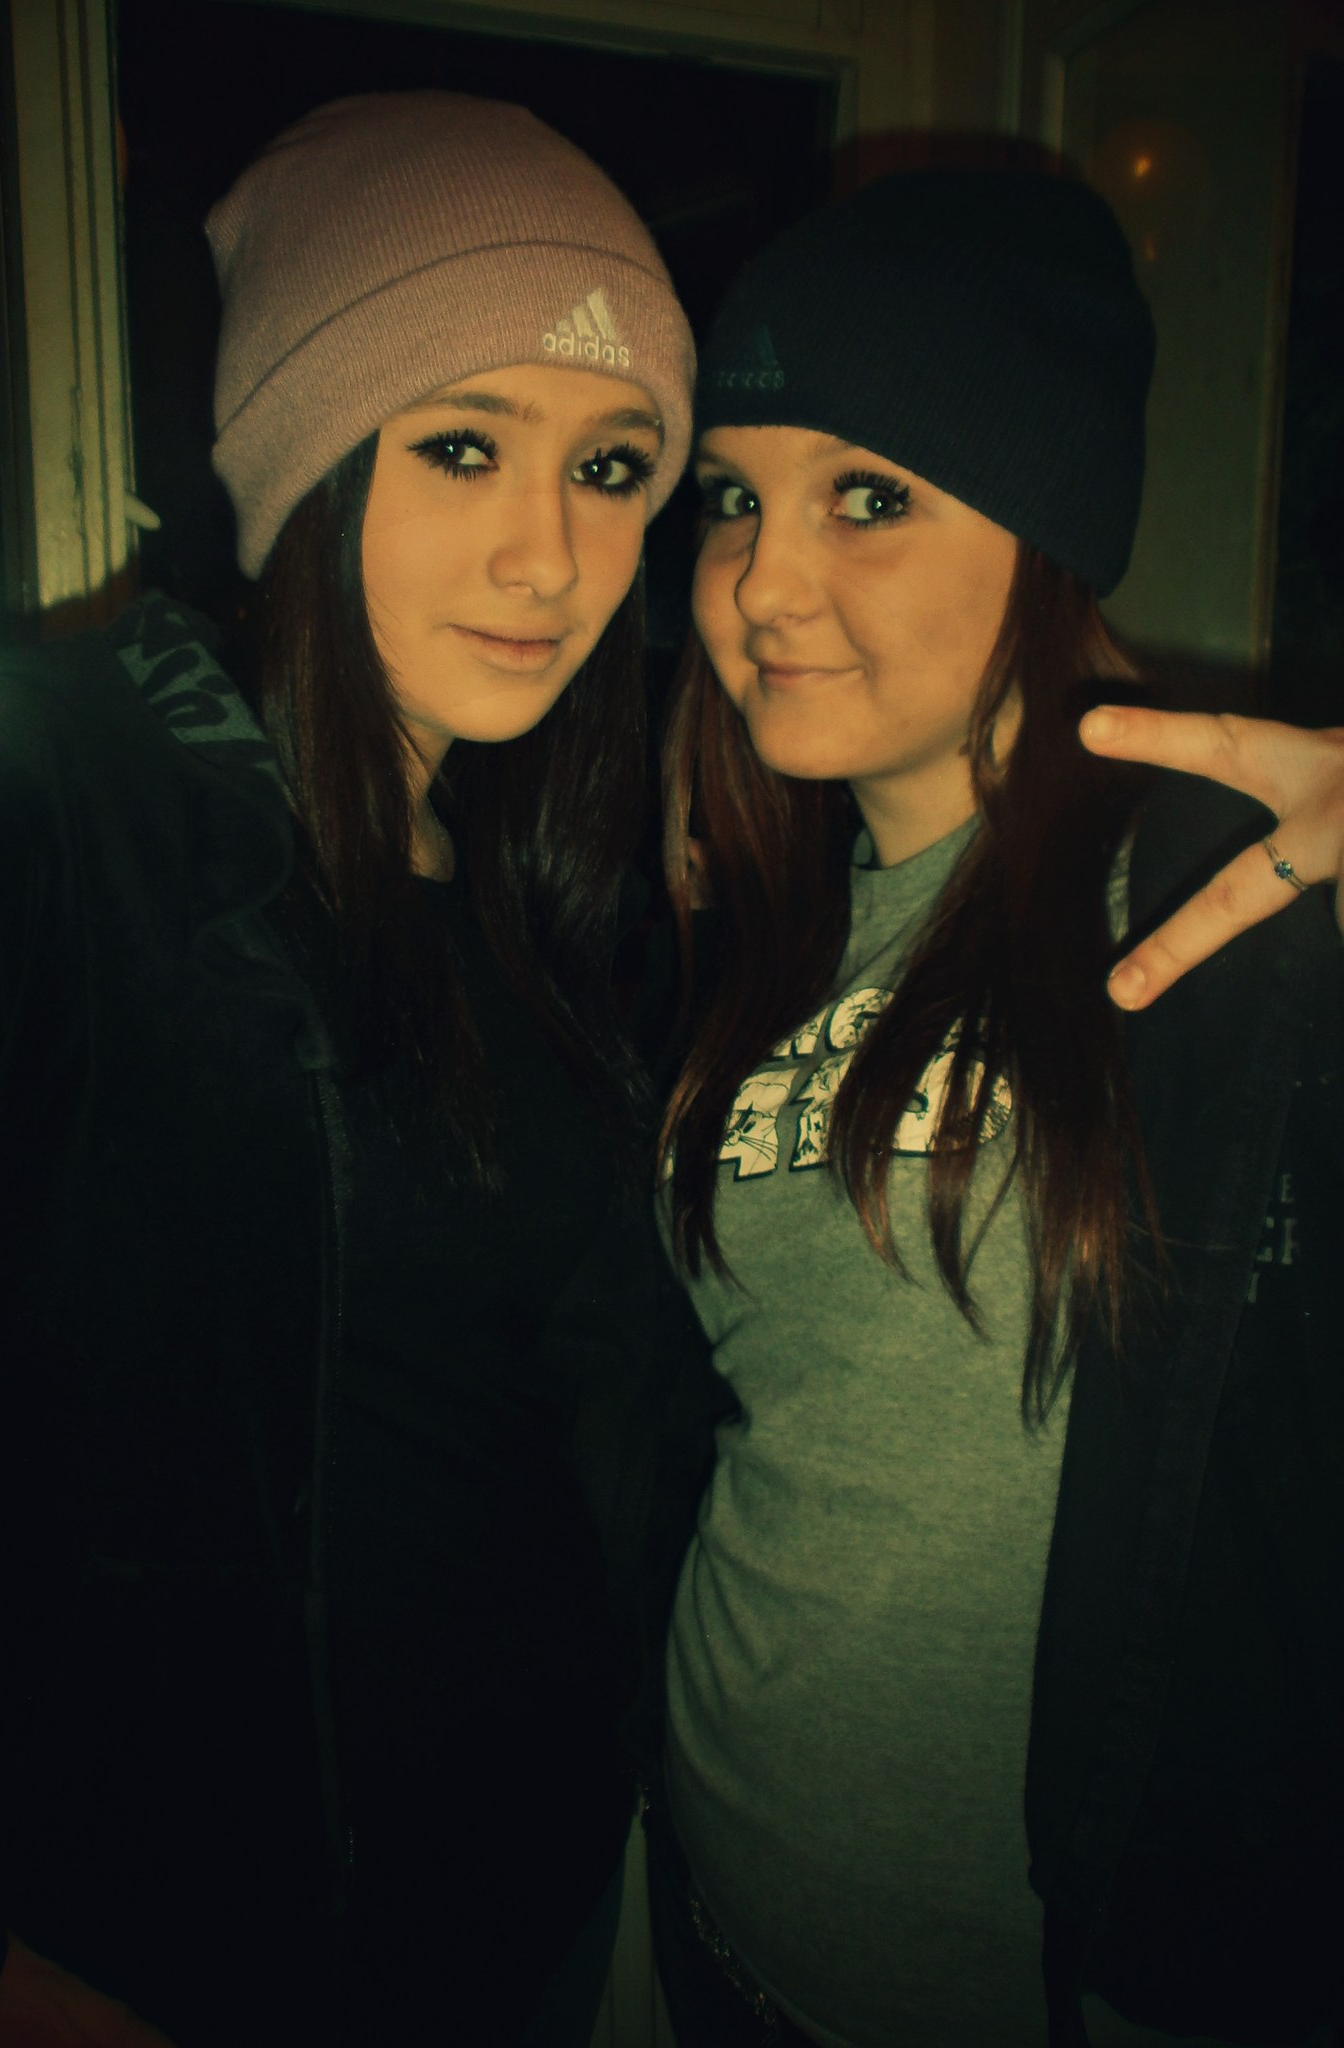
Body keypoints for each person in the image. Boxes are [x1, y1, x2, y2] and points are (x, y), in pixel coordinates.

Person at [0, 90, 708, 2047]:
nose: (549, 554)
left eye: (612, 467)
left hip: (523, 1912)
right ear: (303, 458)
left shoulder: (535, 891)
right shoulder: (78, 790)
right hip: (182, 1952)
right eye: (462, 444)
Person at [647, 166, 1344, 2047]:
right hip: (711, 1917)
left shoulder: (1222, 895)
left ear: (1046, 533)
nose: (761, 581)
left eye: (869, 496)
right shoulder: (763, 924)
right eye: (732, 498)